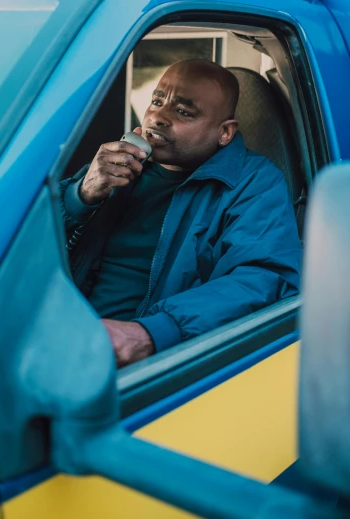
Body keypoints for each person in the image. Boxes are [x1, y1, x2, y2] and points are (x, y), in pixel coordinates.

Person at [61, 59, 301, 367]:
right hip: (64, 336)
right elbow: (24, 242)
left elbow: (264, 277)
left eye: (183, 111)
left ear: (224, 133)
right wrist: (81, 195)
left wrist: (150, 335)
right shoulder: (116, 165)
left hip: (158, 365)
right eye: (157, 101)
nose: (158, 116)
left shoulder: (254, 183)